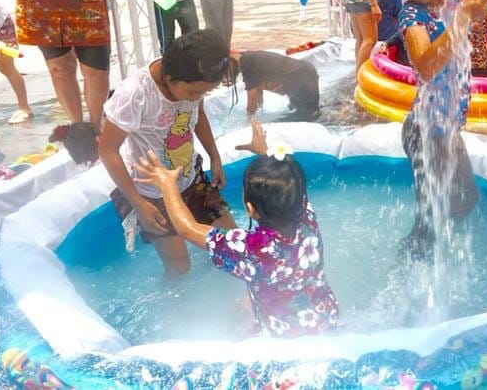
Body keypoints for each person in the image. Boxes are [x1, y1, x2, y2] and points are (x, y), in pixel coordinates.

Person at [132, 121, 338, 336]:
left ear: (250, 209)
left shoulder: (249, 248)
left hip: (285, 337)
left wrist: (168, 186)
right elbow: (287, 187)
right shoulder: (307, 216)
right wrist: (266, 155)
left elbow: (187, 229)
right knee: (245, 305)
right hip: (326, 317)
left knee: (240, 325)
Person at [381, 0, 487, 254]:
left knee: (464, 200)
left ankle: (443, 249)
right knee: (429, 215)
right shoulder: (412, 16)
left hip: (447, 129)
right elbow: (426, 66)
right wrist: (461, 20)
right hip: (425, 131)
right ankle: (412, 264)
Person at [99, 30, 237, 277]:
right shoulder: (135, 93)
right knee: (179, 267)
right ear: (170, 78)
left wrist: (214, 156)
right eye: (194, 92)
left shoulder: (195, 82)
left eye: (203, 93)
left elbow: (198, 115)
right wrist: (139, 204)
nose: (196, 98)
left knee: (231, 245)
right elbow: (107, 151)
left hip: (190, 178)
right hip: (152, 192)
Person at [235, 49, 319, 121]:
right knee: (297, 109)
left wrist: (248, 121)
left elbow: (251, 102)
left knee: (306, 115)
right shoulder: (249, 58)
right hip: (304, 70)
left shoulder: (247, 64)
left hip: (302, 76)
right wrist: (260, 110)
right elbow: (258, 92)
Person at [468, 9, 487, 77]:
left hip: (485, 55)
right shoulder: (464, 15)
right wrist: (470, 27)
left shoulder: (484, 13)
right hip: (472, 57)